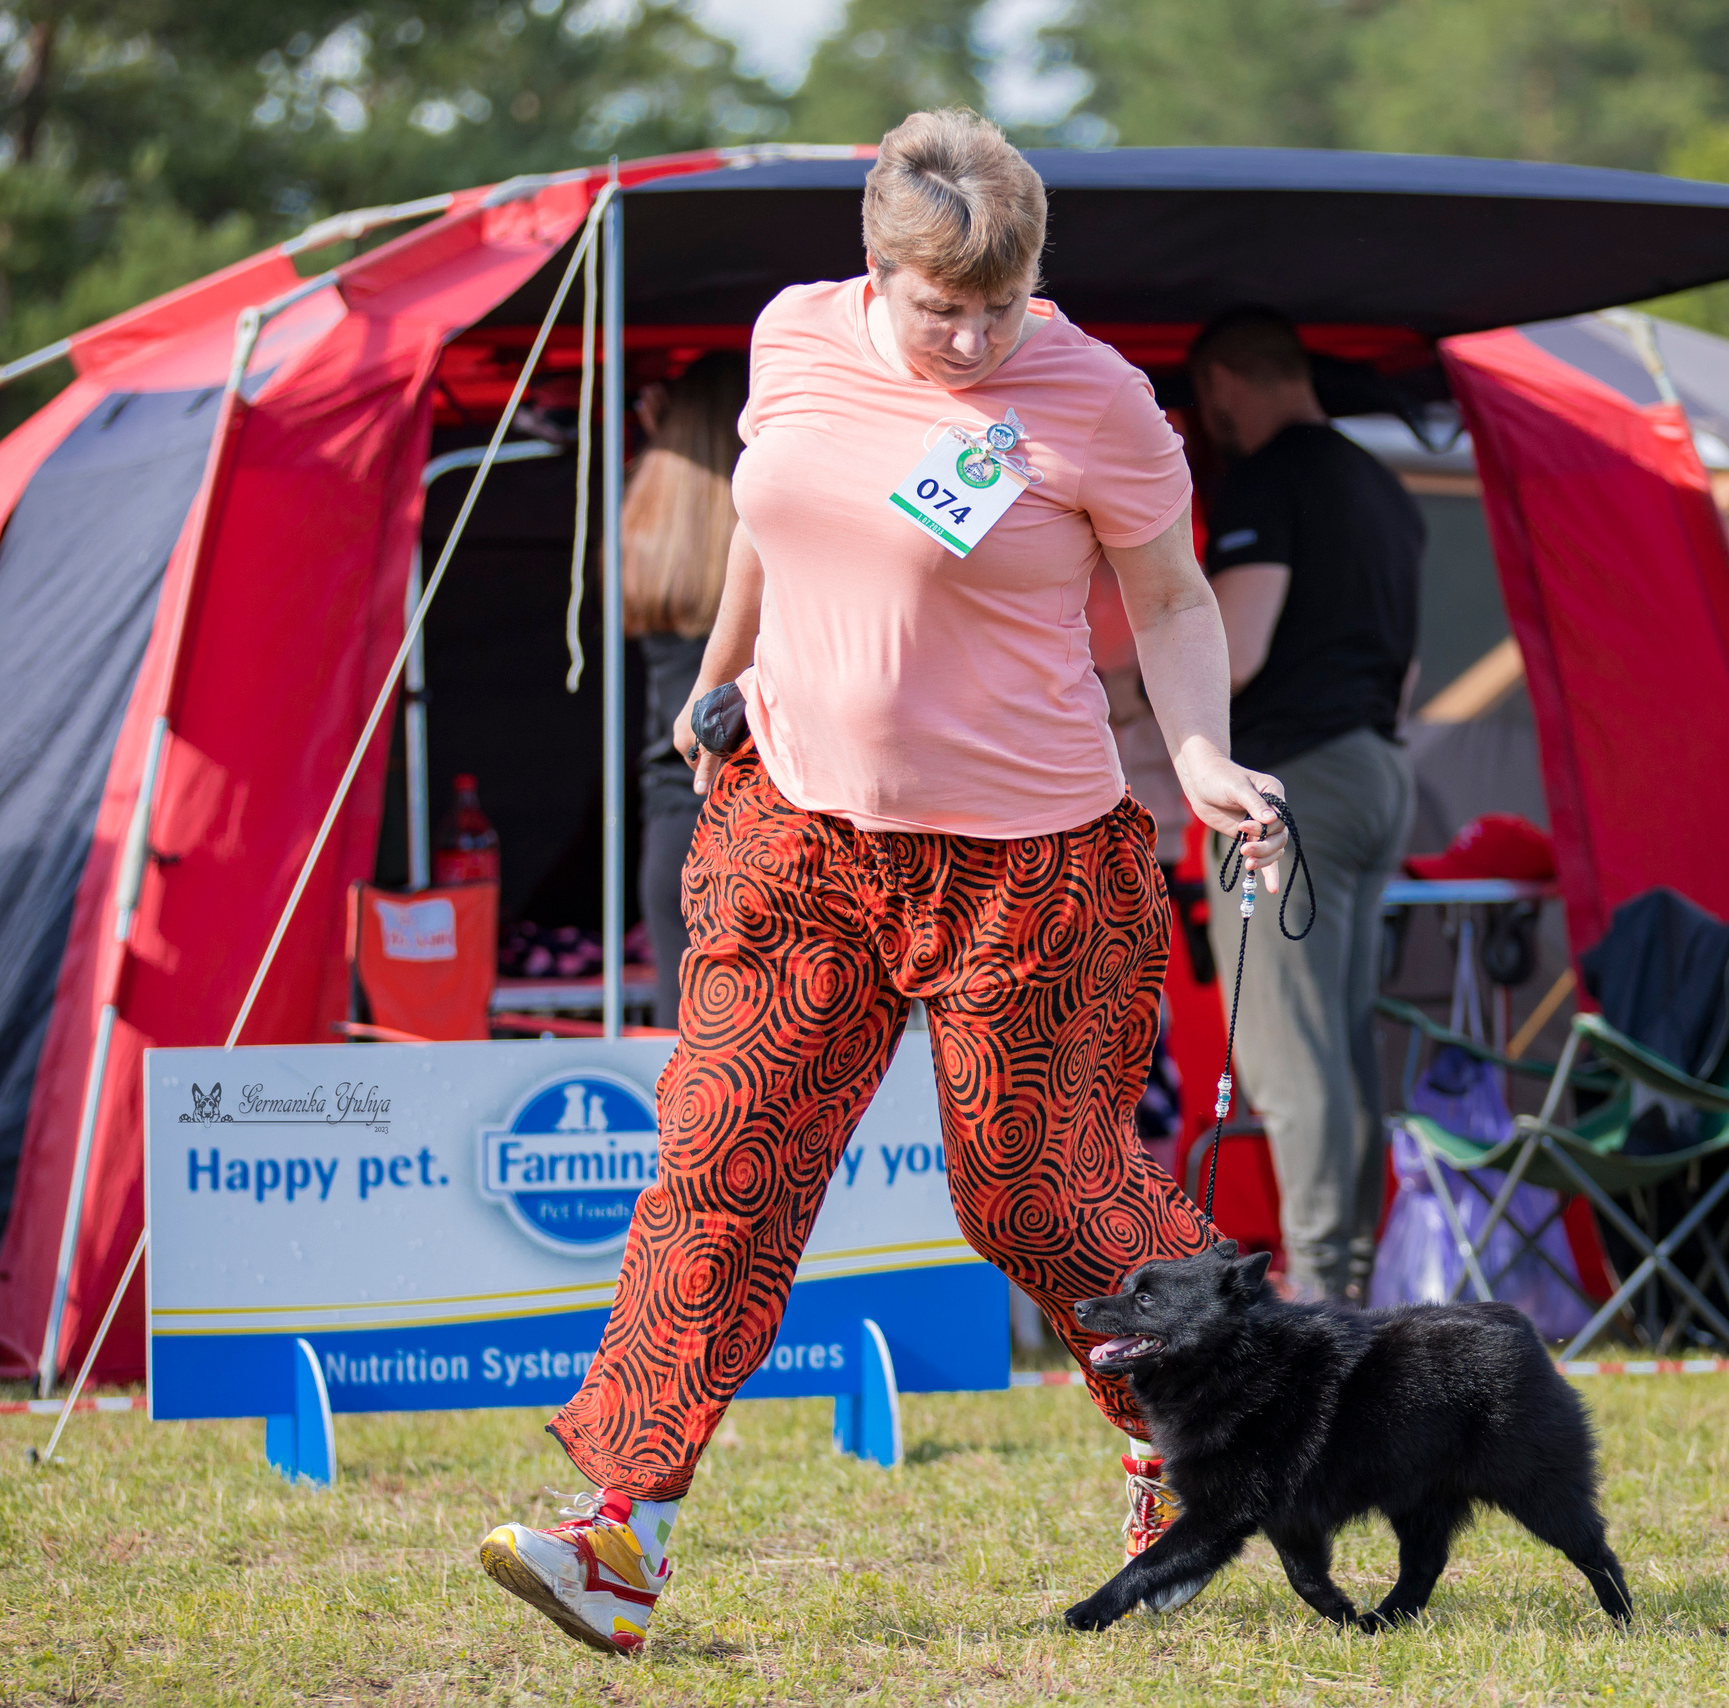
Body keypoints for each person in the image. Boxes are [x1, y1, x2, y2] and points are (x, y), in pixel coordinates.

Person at [476, 109, 1288, 1656]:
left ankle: (1200, 1425)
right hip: (795, 833)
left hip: (1029, 863)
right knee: (721, 1162)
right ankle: (621, 1533)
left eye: (1000, 303)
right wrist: (716, 678)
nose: (974, 337)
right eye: (941, 307)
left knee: (1033, 1196)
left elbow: (1175, 599)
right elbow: (767, 530)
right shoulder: (791, 340)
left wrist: (1198, 761)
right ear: (876, 267)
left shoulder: (1100, 399)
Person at [1187, 308, 1422, 1304]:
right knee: (1343, 1042)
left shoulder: (1272, 476)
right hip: (1376, 768)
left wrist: (1122, 687)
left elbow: (1232, 652)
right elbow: (1404, 670)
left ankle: (1321, 1287)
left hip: (1290, 788)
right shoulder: (1384, 488)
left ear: (1225, 385)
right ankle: (1347, 1274)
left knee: (1288, 1056)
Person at [622, 351, 747, 1031]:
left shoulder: (644, 520)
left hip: (674, 824)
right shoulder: (777, 528)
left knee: (691, 1076)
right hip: (765, 823)